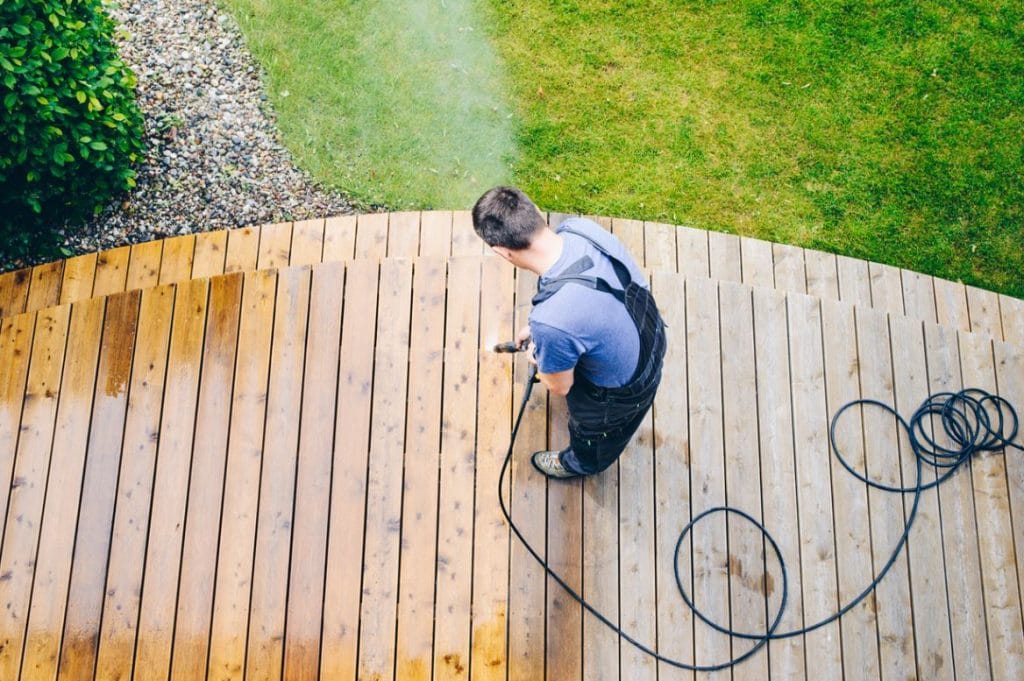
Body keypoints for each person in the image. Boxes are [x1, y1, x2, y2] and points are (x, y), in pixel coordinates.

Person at [472, 186, 666, 479]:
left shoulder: (552, 322)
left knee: (595, 436)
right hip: (649, 334)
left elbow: (559, 386)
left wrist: (544, 350)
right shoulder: (579, 230)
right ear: (535, 208)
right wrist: (549, 331)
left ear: (502, 252)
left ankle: (581, 463)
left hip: (623, 393)